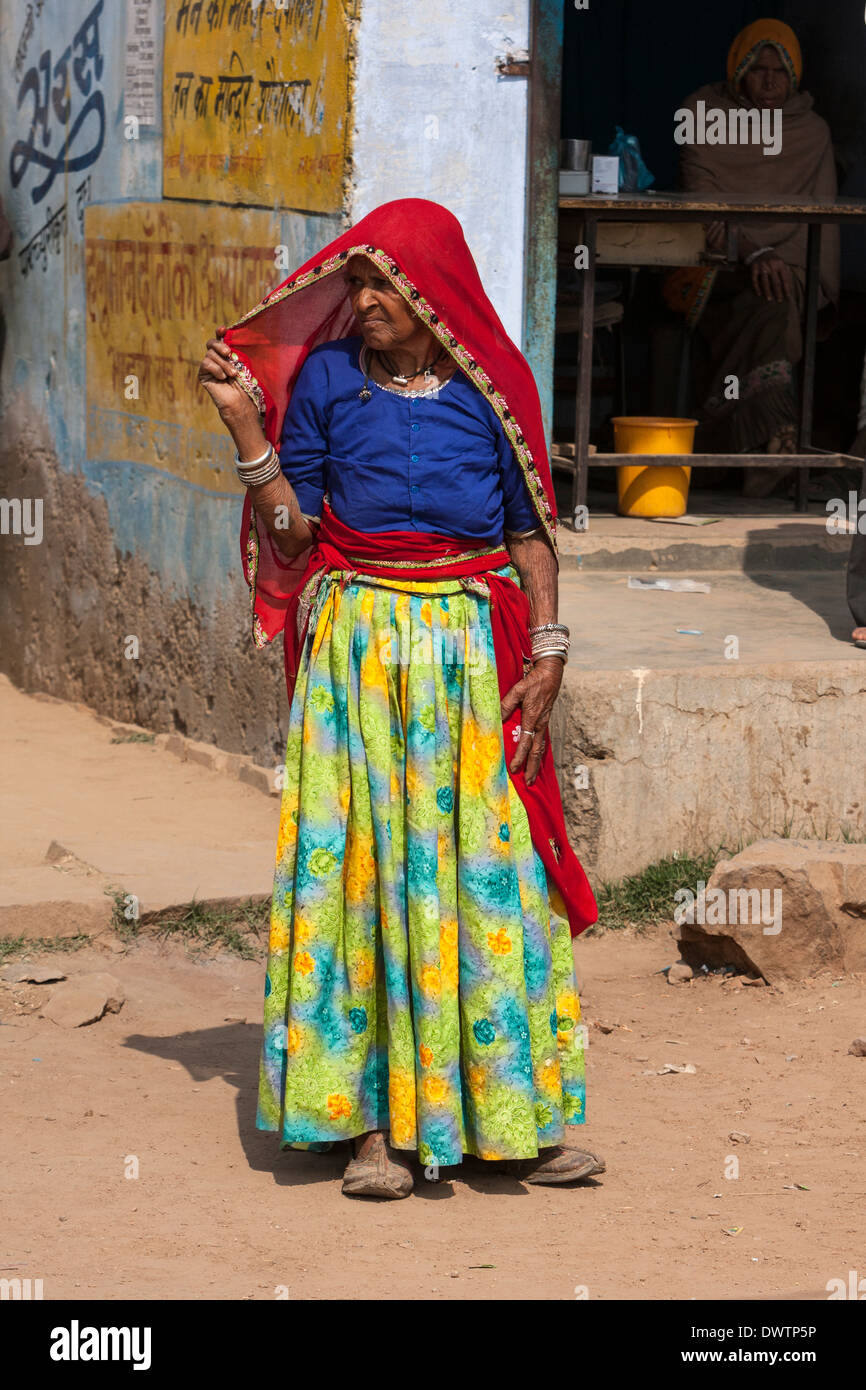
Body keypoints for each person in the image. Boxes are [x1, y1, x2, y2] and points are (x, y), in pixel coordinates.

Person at [197, 199, 604, 1199]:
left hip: (470, 661)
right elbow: (294, 535)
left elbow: (526, 530)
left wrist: (547, 646)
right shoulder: (333, 382)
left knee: (485, 880)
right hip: (358, 662)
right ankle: (369, 1128)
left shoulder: (489, 393)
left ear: (433, 297)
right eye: (359, 284)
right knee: (365, 881)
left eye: (387, 286)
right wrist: (250, 434)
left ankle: (512, 1121)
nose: (367, 302)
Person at [670, 19, 839, 490]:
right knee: (771, 310)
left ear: (795, 76)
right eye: (758, 69)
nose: (769, 81)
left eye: (780, 71)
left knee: (777, 302)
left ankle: (739, 453)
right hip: (713, 265)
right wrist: (755, 250)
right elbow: (701, 210)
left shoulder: (811, 131)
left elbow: (820, 223)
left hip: (791, 269)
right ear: (737, 72)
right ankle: (770, 450)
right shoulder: (703, 114)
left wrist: (783, 262)